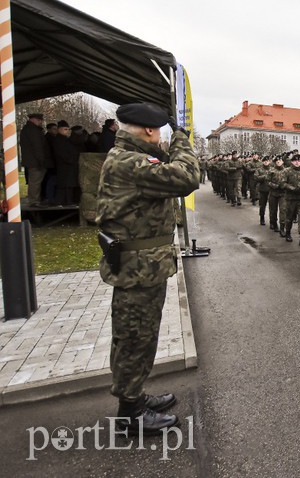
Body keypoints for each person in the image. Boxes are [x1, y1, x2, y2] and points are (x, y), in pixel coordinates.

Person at [96, 102, 199, 434]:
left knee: (140, 335)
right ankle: (130, 414)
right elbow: (187, 176)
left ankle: (135, 397)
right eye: (161, 133)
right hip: (138, 268)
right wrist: (181, 139)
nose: (163, 138)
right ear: (150, 131)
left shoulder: (131, 158)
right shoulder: (131, 163)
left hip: (142, 266)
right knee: (134, 337)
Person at [19, 113, 51, 207]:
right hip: (35, 161)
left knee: (35, 181)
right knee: (35, 182)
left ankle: (35, 200)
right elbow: (37, 147)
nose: (40, 122)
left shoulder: (28, 129)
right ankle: (34, 201)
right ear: (32, 120)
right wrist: (41, 161)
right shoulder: (33, 131)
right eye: (38, 120)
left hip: (32, 160)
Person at [51, 121, 80, 205]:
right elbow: (61, 153)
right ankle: (65, 201)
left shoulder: (65, 139)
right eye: (65, 129)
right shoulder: (58, 140)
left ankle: (68, 201)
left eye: (68, 129)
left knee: (69, 184)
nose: (67, 131)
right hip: (65, 165)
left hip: (69, 165)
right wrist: (71, 160)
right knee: (66, 184)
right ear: (59, 129)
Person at [282, 154, 300, 243]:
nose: (297, 162)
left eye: (299, 161)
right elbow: (283, 183)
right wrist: (292, 188)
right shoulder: (287, 171)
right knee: (289, 217)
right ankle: (288, 233)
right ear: (292, 162)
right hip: (290, 198)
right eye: (295, 160)